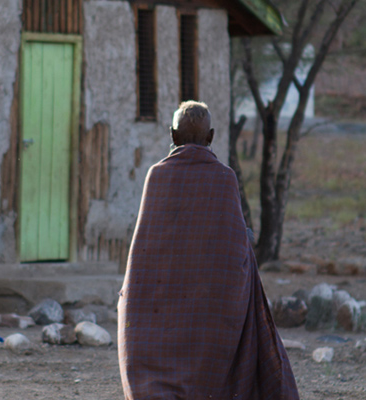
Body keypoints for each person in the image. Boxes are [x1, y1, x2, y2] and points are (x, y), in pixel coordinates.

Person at [118, 101, 299, 399]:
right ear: (211, 136)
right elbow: (233, 247)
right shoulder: (225, 177)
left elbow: (143, 252)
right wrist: (247, 239)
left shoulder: (157, 175)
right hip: (210, 304)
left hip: (161, 302)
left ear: (173, 136)